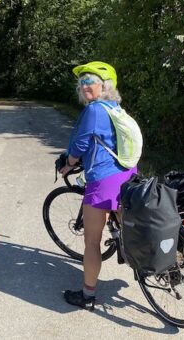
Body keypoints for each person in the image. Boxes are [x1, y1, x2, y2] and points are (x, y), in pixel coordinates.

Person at [59, 61, 138, 310]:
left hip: (103, 181)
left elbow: (80, 145)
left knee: (91, 242)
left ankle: (88, 295)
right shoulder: (115, 108)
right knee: (131, 228)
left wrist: (68, 165)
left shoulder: (94, 110)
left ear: (104, 85)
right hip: (127, 175)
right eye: (81, 83)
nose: (83, 87)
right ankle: (148, 263)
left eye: (88, 81)